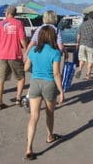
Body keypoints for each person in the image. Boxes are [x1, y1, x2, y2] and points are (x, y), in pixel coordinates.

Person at [24, 26, 64, 160]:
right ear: (52, 37)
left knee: (34, 116)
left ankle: (29, 148)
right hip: (49, 84)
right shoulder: (55, 52)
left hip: (35, 83)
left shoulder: (34, 51)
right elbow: (56, 73)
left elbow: (26, 67)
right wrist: (61, 91)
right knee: (50, 113)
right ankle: (49, 136)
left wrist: (37, 69)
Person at [0, 6, 28, 110]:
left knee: (1, 80)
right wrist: (26, 50)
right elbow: (22, 39)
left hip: (2, 55)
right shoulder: (18, 23)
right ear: (15, 13)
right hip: (15, 54)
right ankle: (18, 99)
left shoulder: (0, 24)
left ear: (7, 13)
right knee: (21, 78)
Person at [75, 11, 93, 80]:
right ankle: (88, 75)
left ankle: (80, 69)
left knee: (82, 59)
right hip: (91, 45)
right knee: (90, 61)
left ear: (88, 17)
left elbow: (78, 35)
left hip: (82, 44)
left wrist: (77, 43)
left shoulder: (82, 24)